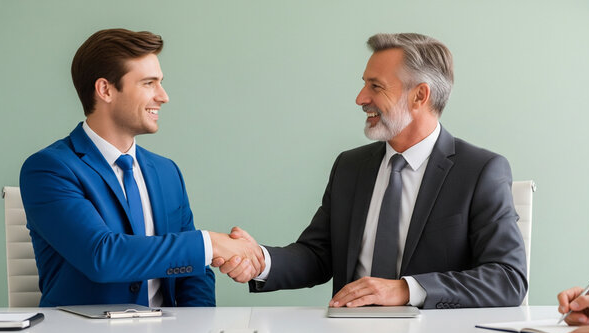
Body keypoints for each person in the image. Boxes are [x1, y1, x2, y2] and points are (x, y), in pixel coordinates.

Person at [214, 33, 527, 309]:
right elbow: (317, 256)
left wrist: (406, 290)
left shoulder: (480, 171)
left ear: (420, 95)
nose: (360, 98)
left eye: (375, 86)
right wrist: (259, 262)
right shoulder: (350, 167)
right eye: (363, 84)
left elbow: (507, 278)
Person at [20, 28, 263, 307]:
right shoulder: (49, 169)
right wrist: (209, 243)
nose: (163, 96)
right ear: (105, 90)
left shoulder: (167, 172)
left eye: (160, 83)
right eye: (149, 83)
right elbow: (103, 257)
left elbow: (193, 274)